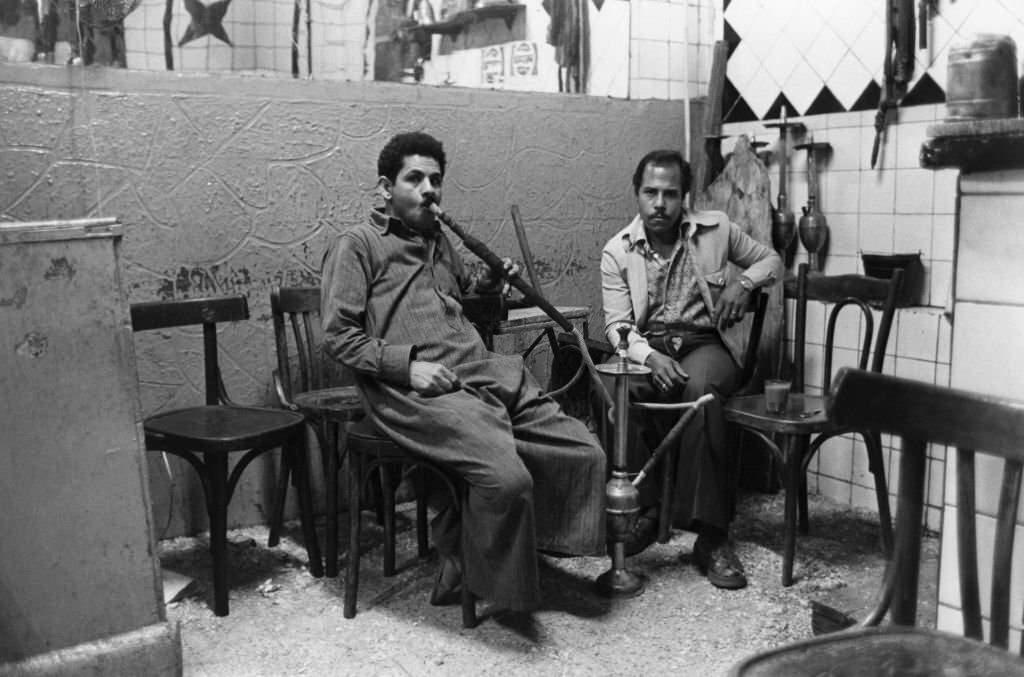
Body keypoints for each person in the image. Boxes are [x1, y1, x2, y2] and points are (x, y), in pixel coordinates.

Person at [321, 131, 606, 613]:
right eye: (415, 178)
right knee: (507, 480)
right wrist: (407, 368)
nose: (429, 189)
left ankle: (476, 545)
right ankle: (475, 562)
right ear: (385, 188)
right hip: (414, 390)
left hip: (480, 372)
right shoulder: (358, 245)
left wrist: (489, 281)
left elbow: (461, 298)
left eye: (435, 179)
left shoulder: (439, 241)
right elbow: (336, 336)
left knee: (585, 451)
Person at [600, 149, 781, 590]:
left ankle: (712, 536)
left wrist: (744, 282)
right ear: (636, 194)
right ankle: (644, 509)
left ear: (685, 198)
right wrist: (649, 357)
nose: (659, 203)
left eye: (670, 194)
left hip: (705, 343)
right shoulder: (617, 251)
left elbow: (771, 261)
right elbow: (617, 326)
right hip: (649, 347)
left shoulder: (716, 229)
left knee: (700, 393)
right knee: (613, 390)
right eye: (650, 193)